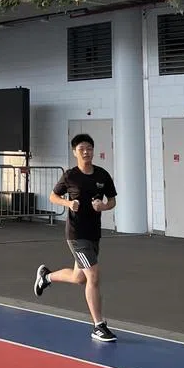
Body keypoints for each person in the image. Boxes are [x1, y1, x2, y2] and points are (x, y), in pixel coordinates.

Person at [33, 133, 118, 342]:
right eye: (81, 149)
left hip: (93, 233)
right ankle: (99, 326)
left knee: (79, 278)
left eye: (89, 148)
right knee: (93, 276)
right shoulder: (70, 176)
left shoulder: (102, 175)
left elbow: (112, 200)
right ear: (74, 152)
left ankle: (46, 277)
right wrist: (69, 204)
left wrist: (103, 206)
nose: (86, 152)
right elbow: (53, 196)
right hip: (76, 234)